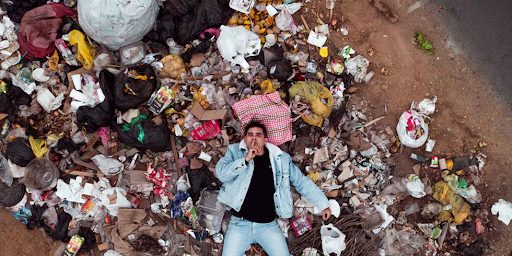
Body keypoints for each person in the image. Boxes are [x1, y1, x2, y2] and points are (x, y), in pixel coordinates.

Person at [215, 121, 332, 256]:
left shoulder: (280, 159)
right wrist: (245, 160)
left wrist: (323, 204)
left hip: (268, 226)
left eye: (258, 135)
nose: (254, 138)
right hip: (239, 224)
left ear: (265, 140)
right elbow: (221, 174)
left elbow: (301, 182)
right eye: (250, 135)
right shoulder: (234, 152)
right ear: (245, 139)